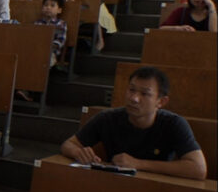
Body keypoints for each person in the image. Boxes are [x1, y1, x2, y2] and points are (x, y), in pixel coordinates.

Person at [60, 66, 206, 180]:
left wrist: (138, 164)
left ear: (161, 101)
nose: (134, 98)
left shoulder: (174, 124)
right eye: (131, 90)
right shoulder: (107, 118)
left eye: (144, 94)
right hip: (113, 185)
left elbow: (198, 169)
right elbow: (68, 144)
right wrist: (79, 153)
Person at [34, 0, 68, 67]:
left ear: (59, 10)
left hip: (51, 52)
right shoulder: (37, 23)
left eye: (52, 5)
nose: (48, 8)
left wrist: (46, 46)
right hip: (36, 50)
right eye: (46, 5)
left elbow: (60, 41)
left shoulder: (61, 24)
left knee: (45, 61)